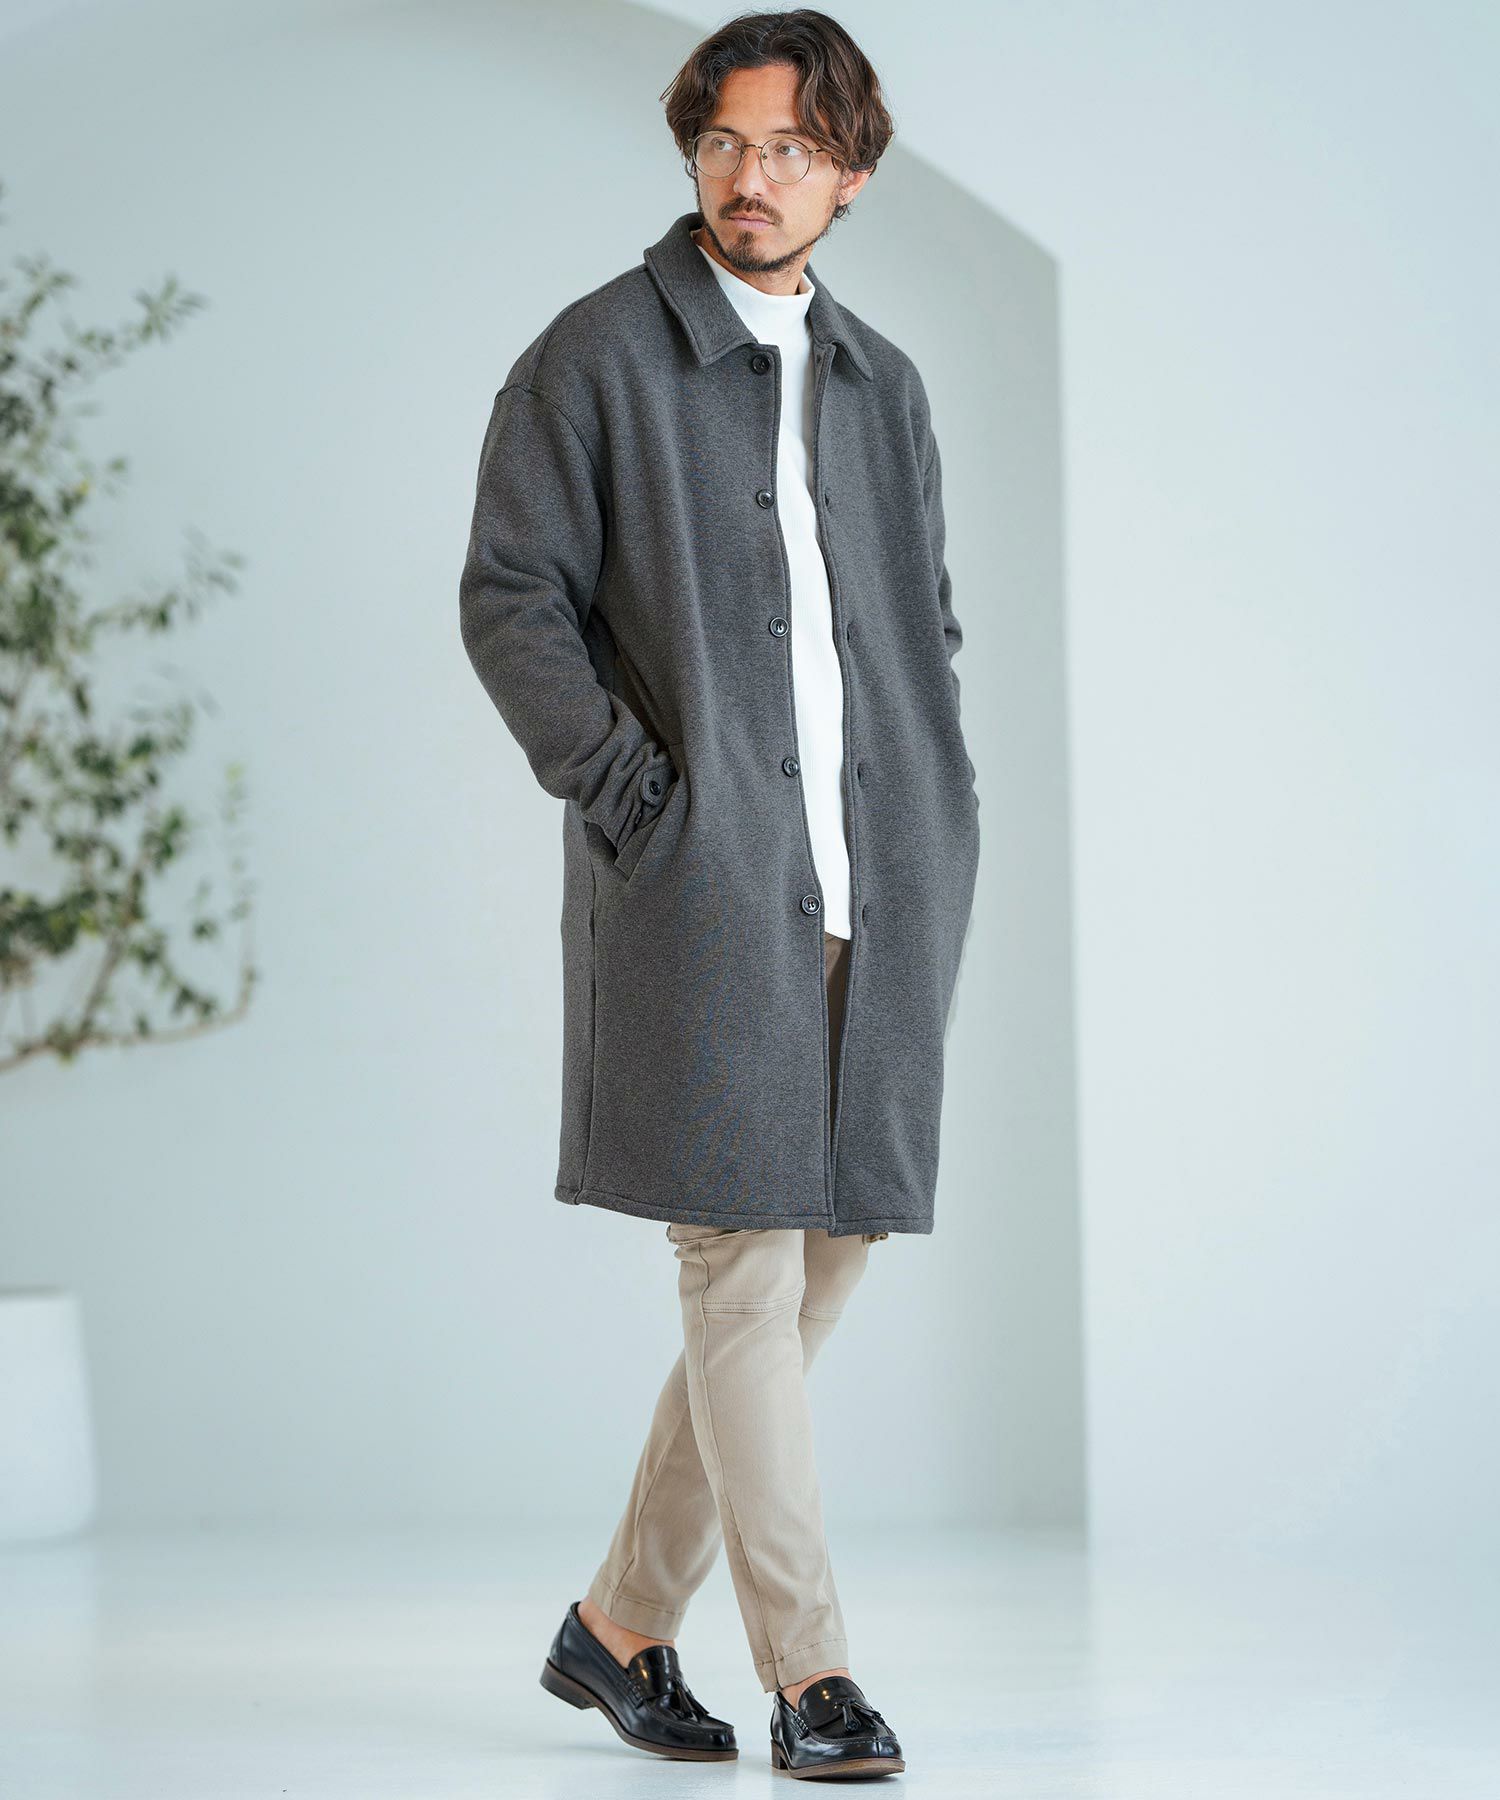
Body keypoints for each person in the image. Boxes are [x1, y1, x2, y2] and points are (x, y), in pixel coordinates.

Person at [459, 8, 979, 1782]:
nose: (752, 179)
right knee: (740, 1279)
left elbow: (924, 628)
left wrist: (936, 810)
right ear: (694, 151)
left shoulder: (884, 388)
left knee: (813, 1277)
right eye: (725, 143)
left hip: (877, 893)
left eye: (791, 150)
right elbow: (511, 601)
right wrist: (640, 804)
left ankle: (615, 1629)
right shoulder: (594, 360)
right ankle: (813, 1677)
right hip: (701, 890)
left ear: (851, 174)